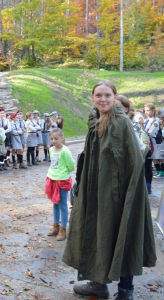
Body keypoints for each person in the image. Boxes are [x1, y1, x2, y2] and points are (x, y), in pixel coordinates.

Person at [63, 80, 156, 300]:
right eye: (98, 95)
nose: (103, 99)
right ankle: (98, 284)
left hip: (119, 194)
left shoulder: (122, 122)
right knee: (98, 233)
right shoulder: (94, 121)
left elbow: (135, 161)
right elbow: (89, 159)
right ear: (92, 98)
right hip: (96, 192)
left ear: (115, 97)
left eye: (107, 95)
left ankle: (126, 292)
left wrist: (128, 196)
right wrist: (82, 185)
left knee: (123, 234)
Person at [44, 128, 75, 241]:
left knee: (62, 205)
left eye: (56, 138)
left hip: (62, 180)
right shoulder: (51, 150)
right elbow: (53, 163)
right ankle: (55, 226)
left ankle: (63, 229)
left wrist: (63, 173)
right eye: (51, 138)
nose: (53, 141)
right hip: (52, 178)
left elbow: (71, 166)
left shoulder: (65, 151)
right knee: (55, 203)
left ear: (62, 138)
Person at [144, 103, 163, 179]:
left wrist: (146, 127)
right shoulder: (147, 120)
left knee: (150, 161)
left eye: (148, 110)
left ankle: (159, 172)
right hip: (147, 142)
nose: (146, 112)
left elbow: (149, 133)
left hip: (152, 142)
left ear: (153, 110)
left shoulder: (155, 120)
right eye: (145, 110)